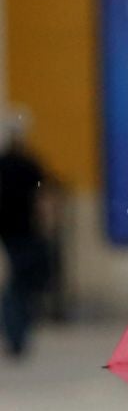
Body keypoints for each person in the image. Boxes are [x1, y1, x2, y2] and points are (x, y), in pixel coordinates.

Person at [0, 114, 51, 361]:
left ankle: (14, 331)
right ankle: (17, 332)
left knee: (17, 283)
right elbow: (43, 197)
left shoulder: (6, 163)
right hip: (25, 230)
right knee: (21, 284)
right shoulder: (28, 164)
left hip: (10, 231)